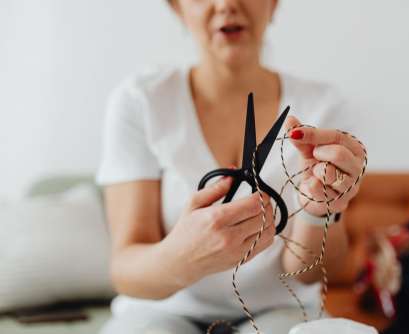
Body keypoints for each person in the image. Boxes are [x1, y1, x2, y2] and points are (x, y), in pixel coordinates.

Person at [96, 0, 366, 333]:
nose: (226, 4)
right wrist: (182, 256)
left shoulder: (323, 106)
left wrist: (315, 212)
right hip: (160, 310)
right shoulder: (140, 100)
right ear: (177, 8)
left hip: (280, 311)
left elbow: (315, 271)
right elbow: (125, 272)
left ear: (273, 4)